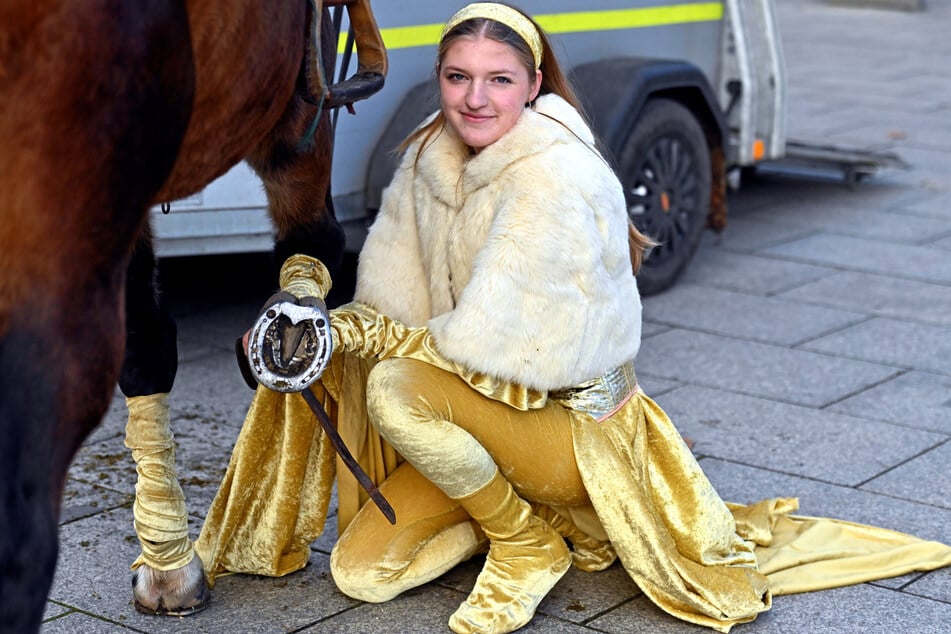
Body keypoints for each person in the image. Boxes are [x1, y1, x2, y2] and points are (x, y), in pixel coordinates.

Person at [195, 3, 951, 633]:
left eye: (498, 81)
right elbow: (393, 307)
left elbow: (491, 357)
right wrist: (307, 324)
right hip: (482, 422)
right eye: (457, 78)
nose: (474, 99)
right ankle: (501, 514)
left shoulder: (557, 177)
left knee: (395, 388)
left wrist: (350, 332)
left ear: (532, 86)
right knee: (361, 576)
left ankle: (524, 540)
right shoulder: (429, 156)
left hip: (569, 436)